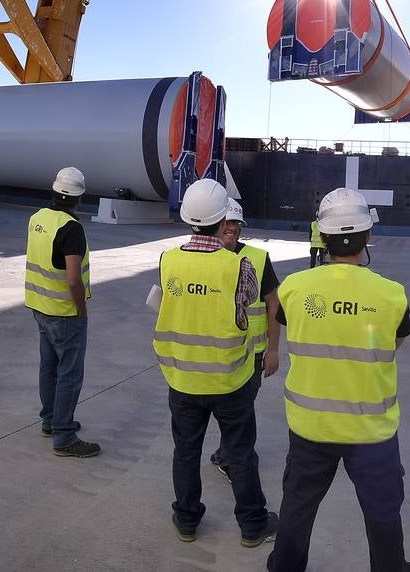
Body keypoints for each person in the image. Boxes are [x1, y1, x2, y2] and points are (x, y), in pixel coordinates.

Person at [268, 188, 410, 572]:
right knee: (382, 516)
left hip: (310, 427)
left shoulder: (294, 289)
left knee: (297, 509)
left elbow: (286, 325)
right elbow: (393, 343)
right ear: (368, 236)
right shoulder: (392, 295)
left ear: (322, 237)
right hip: (371, 433)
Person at [155, 179, 277, 549]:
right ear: (223, 218)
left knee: (186, 452)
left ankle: (187, 521)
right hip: (229, 379)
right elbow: (246, 307)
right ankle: (253, 526)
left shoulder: (168, 259)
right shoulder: (239, 265)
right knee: (240, 454)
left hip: (181, 377)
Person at [24, 167, 101, 459]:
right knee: (69, 373)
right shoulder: (71, 228)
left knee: (49, 367)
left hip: (39, 305)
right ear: (79, 198)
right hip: (64, 312)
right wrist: (81, 310)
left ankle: (50, 421)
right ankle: (65, 436)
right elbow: (72, 278)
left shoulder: (37, 218)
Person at [210, 198, 281, 481]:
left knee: (241, 410)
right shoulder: (204, 257)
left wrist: (274, 350)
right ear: (216, 224)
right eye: (226, 223)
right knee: (226, 410)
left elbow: (274, 305)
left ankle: (228, 458)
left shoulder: (257, 258)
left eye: (236, 223)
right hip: (215, 349)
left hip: (251, 353)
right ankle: (226, 453)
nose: (231, 228)